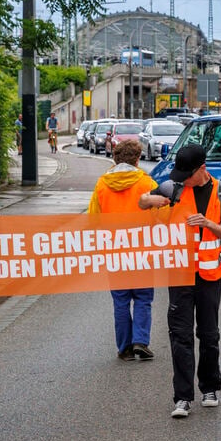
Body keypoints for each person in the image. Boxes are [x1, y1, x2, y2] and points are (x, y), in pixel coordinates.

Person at [139, 144, 221, 419]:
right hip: (179, 273)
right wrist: (150, 201)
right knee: (179, 335)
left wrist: (208, 224)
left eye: (186, 173)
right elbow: (141, 201)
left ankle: (210, 387)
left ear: (201, 169)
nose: (181, 178)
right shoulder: (174, 188)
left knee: (208, 334)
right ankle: (182, 397)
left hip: (210, 274)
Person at [88, 139, 159, 362]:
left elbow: (93, 220)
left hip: (115, 252)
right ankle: (141, 340)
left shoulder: (102, 185)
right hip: (142, 251)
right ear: (138, 159)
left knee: (120, 301)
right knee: (142, 298)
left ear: (115, 158)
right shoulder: (146, 183)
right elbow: (160, 216)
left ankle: (125, 348)